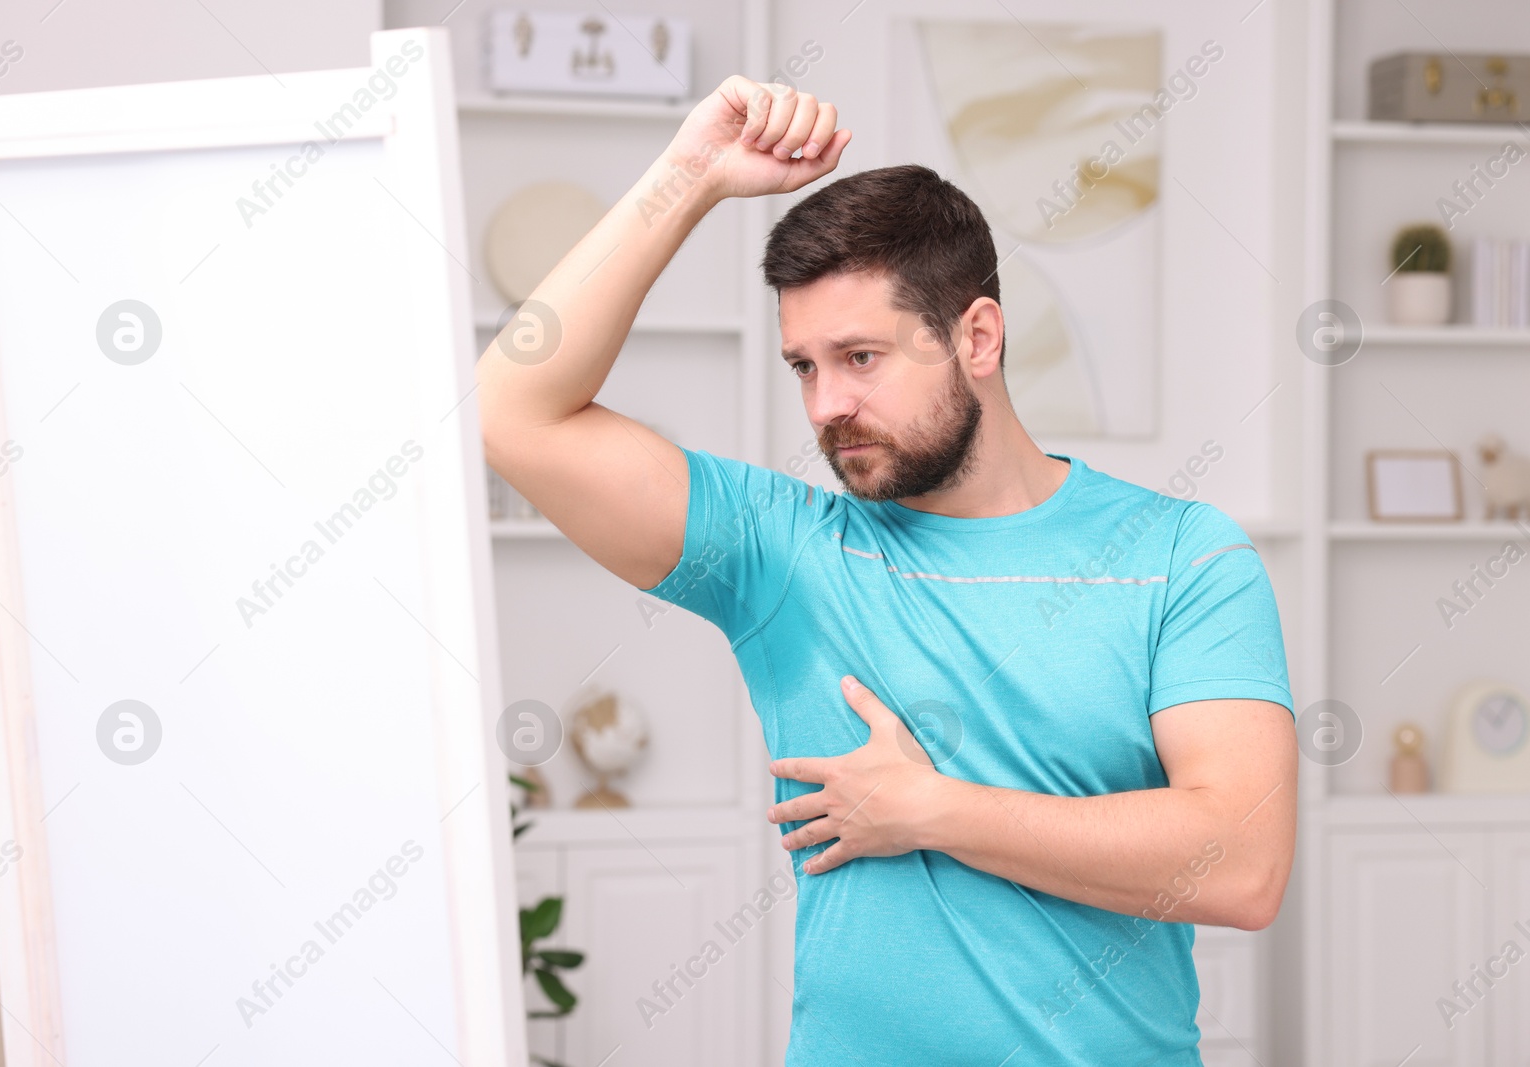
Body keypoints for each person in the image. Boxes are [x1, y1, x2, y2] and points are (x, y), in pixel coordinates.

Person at [476, 75, 1297, 1067]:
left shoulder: (1180, 555)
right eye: (804, 366)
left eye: (860, 356)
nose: (825, 404)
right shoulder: (785, 552)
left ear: (977, 337)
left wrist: (929, 809)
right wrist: (686, 175)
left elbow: (1243, 863)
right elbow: (511, 411)